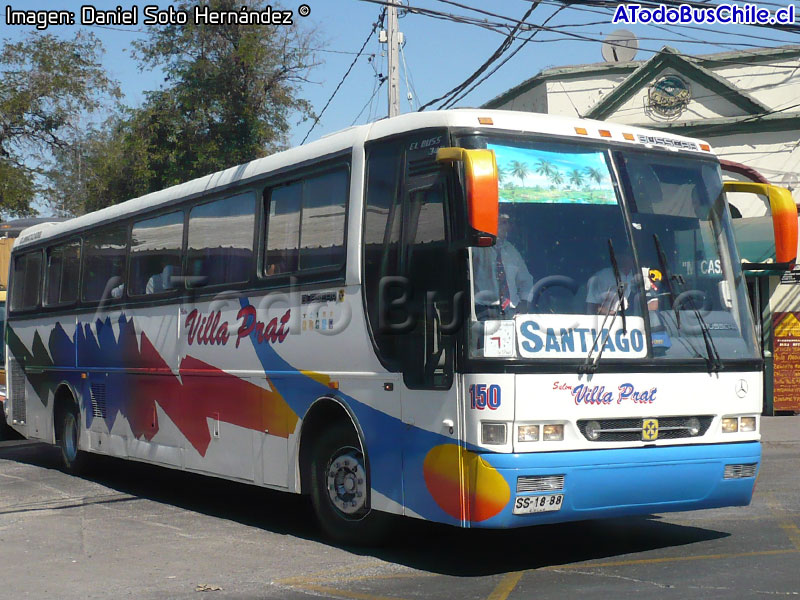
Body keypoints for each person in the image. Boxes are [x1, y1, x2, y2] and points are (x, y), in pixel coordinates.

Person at [472, 212, 534, 320]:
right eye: (501, 222)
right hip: (484, 311)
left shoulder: (511, 251)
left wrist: (524, 302)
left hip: (512, 313)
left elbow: (526, 280)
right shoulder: (476, 249)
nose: (506, 226)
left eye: (506, 223)